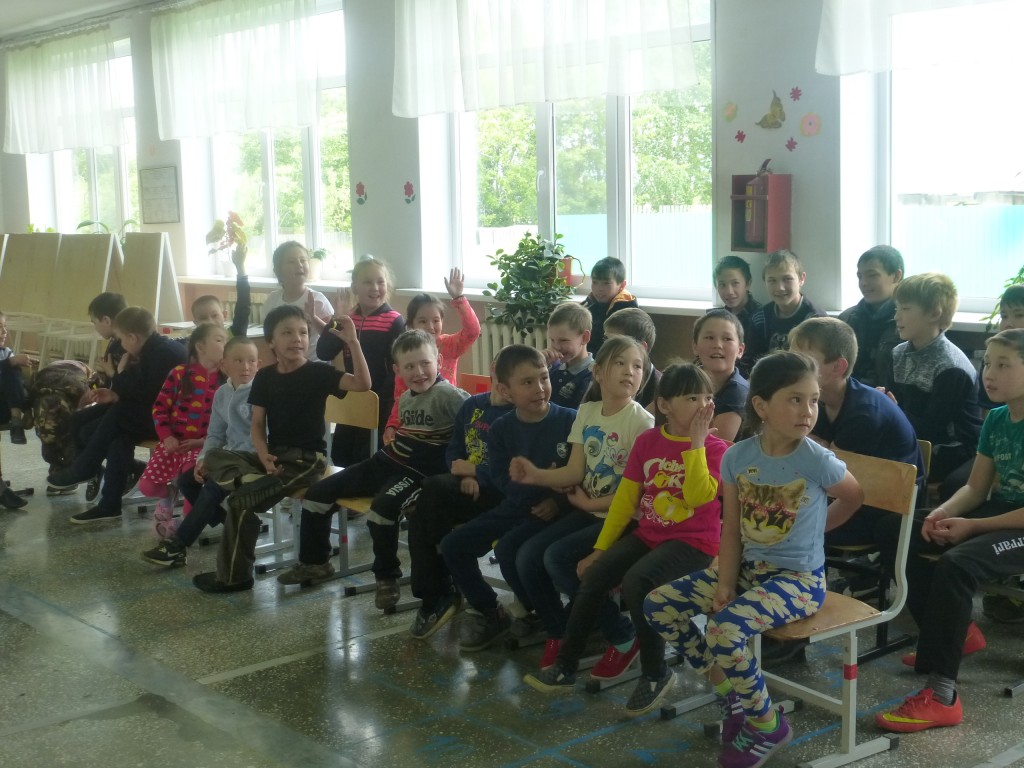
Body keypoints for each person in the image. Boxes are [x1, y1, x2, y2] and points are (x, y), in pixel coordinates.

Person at [644, 351, 862, 767]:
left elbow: (854, 496)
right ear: (761, 406)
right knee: (659, 605)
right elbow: (731, 529)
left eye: (814, 400)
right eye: (795, 399)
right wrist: (726, 582)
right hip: (749, 572)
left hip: (799, 583)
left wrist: (817, 531)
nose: (808, 410)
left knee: (723, 631)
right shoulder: (737, 457)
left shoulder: (815, 459)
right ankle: (732, 694)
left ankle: (767, 724)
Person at [523, 363, 729, 717]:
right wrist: (600, 549)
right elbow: (624, 502)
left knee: (638, 582)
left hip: (694, 543)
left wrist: (696, 444)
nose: (702, 406)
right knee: (594, 575)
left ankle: (655, 673)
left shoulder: (714, 448)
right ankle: (566, 666)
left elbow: (698, 497)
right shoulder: (648, 442)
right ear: (664, 405)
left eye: (707, 398)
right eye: (691, 398)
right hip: (651, 534)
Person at [876, 328, 1024, 734]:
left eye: (1003, 365)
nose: (989, 374)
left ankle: (942, 696)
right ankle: (953, 636)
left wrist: (972, 526)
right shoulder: (997, 418)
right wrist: (939, 514)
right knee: (895, 528)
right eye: (987, 364)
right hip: (999, 513)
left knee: (958, 563)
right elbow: (976, 488)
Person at [276, 329, 468, 611]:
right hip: (386, 461)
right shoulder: (407, 397)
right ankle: (315, 563)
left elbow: (474, 424)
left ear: (438, 361)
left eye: (425, 363)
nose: (418, 372)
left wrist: (466, 466)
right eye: (409, 366)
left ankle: (386, 577)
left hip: (416, 473)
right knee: (316, 494)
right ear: (397, 370)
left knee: (381, 511)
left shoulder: (449, 395)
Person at [186, 304, 371, 592]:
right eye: (287, 333)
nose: (297, 339)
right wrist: (262, 454)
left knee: (240, 503)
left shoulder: (319, 372)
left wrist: (352, 342)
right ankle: (249, 482)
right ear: (271, 341)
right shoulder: (265, 377)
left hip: (307, 462)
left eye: (303, 333)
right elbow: (257, 424)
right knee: (213, 458)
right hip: (273, 456)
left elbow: (362, 383)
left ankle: (234, 577)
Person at [508, 336, 654, 669]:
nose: (630, 371)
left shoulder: (642, 422)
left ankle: (622, 633)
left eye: (637, 366)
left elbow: (637, 494)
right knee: (528, 556)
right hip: (589, 511)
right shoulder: (587, 412)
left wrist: (590, 505)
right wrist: (536, 475)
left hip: (621, 519)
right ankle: (560, 630)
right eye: (620, 363)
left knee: (556, 558)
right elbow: (575, 470)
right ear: (598, 372)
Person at [439, 345, 577, 651]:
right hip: (517, 506)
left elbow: (582, 475)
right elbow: (500, 478)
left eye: (543, 377)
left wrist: (557, 502)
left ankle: (551, 617)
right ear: (505, 390)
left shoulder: (570, 421)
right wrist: (536, 487)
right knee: (453, 546)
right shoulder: (501, 429)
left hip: (559, 512)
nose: (540, 388)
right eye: (527, 382)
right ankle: (493, 610)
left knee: (510, 550)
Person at [47, 307, 188, 523]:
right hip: (153, 413)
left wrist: (119, 374)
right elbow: (142, 392)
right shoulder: (152, 348)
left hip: (176, 422)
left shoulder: (164, 354)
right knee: (94, 425)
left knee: (118, 417)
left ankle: (86, 468)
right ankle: (108, 503)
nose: (121, 345)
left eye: (121, 339)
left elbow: (150, 396)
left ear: (132, 337)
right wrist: (115, 393)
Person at [407, 365, 514, 639]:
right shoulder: (473, 405)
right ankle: (439, 592)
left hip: (498, 493)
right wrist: (464, 473)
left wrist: (476, 473)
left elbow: (514, 472)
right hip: (467, 485)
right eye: (503, 381)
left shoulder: (518, 416)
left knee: (429, 502)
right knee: (423, 509)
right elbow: (454, 449)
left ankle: (438, 594)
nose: (507, 389)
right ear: (494, 377)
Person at [141, 335, 260, 568]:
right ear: (224, 365)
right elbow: (215, 435)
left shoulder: (260, 393)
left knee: (214, 487)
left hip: (254, 458)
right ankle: (233, 522)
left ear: (259, 364)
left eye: (251, 361)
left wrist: (224, 460)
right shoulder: (222, 393)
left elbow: (260, 438)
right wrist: (204, 459)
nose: (245, 367)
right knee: (187, 481)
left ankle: (177, 546)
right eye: (238, 361)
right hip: (229, 457)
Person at [883, 272, 982, 481]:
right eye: (896, 308)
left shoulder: (952, 367)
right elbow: (893, 403)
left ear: (934, 314)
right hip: (910, 437)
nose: (897, 316)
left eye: (905, 309)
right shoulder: (898, 353)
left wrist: (890, 409)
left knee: (887, 468)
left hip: (951, 448)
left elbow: (932, 429)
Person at [140, 323, 228, 539]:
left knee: (193, 484)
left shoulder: (225, 381)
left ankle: (184, 523)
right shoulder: (179, 373)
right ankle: (169, 494)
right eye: (219, 340)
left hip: (203, 447)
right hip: (173, 444)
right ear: (200, 346)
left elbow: (228, 424)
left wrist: (202, 442)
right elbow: (159, 408)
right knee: (148, 486)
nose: (225, 345)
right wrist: (166, 436)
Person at [317, 255, 405, 467]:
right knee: (341, 453)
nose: (375, 288)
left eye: (380, 282)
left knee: (367, 456)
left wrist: (378, 400)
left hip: (381, 401)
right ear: (354, 287)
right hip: (352, 397)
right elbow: (324, 352)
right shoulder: (348, 319)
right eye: (367, 282)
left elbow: (397, 367)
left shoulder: (394, 320)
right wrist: (336, 319)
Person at [384, 268, 480, 442]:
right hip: (418, 425)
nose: (430, 326)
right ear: (411, 324)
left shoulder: (448, 345)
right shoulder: (406, 356)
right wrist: (392, 425)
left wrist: (459, 298)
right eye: (422, 321)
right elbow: (400, 398)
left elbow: (473, 331)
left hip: (446, 422)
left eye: (436, 320)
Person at [739, 249, 826, 373]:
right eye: (772, 280)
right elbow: (749, 362)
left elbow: (819, 366)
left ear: (801, 279)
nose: (780, 288)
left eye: (787, 279)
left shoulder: (815, 319)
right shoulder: (759, 318)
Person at [838, 245, 903, 387]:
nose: (863, 283)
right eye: (860, 276)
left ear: (896, 276)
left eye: (872, 275)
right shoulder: (846, 319)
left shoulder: (909, 322)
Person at [26, 359, 91, 493]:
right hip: (58, 403)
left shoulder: (75, 383)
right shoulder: (81, 380)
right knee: (62, 442)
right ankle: (63, 475)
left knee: (56, 441)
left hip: (48, 405)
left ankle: (61, 473)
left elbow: (30, 394)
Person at [262, 241, 334, 360]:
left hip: (314, 364)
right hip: (283, 364)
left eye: (303, 260)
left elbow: (331, 339)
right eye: (291, 261)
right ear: (278, 270)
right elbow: (269, 339)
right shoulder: (272, 300)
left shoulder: (317, 299)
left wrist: (313, 318)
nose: (299, 265)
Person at [693, 309, 749, 442]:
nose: (717, 345)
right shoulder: (686, 378)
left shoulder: (738, 392)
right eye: (709, 338)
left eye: (727, 339)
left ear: (740, 350)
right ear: (695, 347)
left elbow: (715, 447)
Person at [188, 238, 252, 338]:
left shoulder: (234, 334)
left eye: (214, 315)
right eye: (203, 318)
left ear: (224, 315)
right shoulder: (196, 343)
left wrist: (240, 267)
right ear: (196, 323)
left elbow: (243, 306)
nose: (210, 322)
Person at [603, 308, 661, 411]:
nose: (606, 348)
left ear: (641, 348)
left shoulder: (661, 391)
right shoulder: (603, 374)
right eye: (606, 340)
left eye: (616, 343)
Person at [713, 255, 762, 375]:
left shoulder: (760, 317)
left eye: (735, 283)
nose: (729, 291)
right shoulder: (718, 318)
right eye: (722, 285)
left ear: (748, 284)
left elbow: (753, 362)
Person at [582, 256, 638, 353]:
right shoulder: (589, 303)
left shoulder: (626, 310)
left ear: (622, 285)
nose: (599, 288)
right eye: (595, 282)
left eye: (606, 283)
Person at [544, 301, 594, 410]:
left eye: (563, 340)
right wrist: (540, 368)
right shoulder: (552, 366)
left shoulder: (594, 375)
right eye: (552, 340)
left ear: (584, 337)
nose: (556, 347)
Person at [0, 311, 37, 444]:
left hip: (5, 408)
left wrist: (27, 410)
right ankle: (16, 422)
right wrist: (10, 362)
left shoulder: (6, 352)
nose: (4, 331)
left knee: (14, 370)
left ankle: (17, 421)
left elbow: (18, 383)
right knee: (10, 366)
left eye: (4, 326)